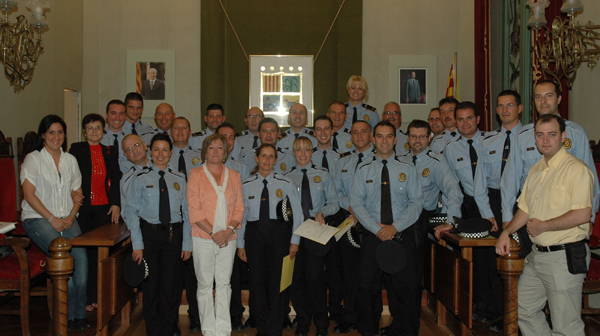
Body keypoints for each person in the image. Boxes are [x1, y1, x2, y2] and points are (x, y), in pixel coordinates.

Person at [496, 114, 593, 336]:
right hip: (537, 256)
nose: (545, 140)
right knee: (523, 311)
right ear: (535, 138)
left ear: (563, 137)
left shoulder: (576, 170)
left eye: (552, 134)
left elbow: (583, 214)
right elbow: (526, 209)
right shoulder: (536, 169)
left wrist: (545, 226)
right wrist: (507, 232)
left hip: (564, 255)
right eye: (540, 135)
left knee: (566, 326)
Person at [350, 120, 423, 336]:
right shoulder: (363, 169)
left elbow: (416, 203)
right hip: (373, 234)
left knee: (408, 287)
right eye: (380, 136)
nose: (384, 140)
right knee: (366, 286)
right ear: (373, 139)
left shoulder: (407, 168)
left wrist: (394, 227)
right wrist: (376, 229)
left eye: (389, 136)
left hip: (401, 233)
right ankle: (368, 330)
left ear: (395, 140)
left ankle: (404, 331)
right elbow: (356, 203)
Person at [500, 80, 599, 236]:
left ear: (559, 99)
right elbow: (510, 180)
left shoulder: (575, 133)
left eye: (549, 96)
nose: (543, 102)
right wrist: (507, 219)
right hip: (528, 215)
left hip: (565, 215)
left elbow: (590, 178)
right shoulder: (523, 136)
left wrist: (591, 217)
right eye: (538, 97)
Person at [393, 119, 462, 336]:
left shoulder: (436, 162)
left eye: (422, 136)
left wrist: (451, 220)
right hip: (396, 221)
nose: (417, 141)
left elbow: (453, 190)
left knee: (412, 279)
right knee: (395, 276)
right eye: (413, 136)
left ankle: (409, 329)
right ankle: (397, 325)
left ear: (430, 138)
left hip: (419, 223)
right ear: (407, 138)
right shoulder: (399, 160)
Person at [20, 115, 89, 331]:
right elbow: (29, 194)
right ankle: (65, 316)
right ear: (43, 135)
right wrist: (52, 219)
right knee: (62, 261)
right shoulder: (33, 159)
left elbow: (78, 191)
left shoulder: (70, 160)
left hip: (67, 218)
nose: (56, 137)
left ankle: (79, 314)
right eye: (51, 132)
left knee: (82, 263)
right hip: (38, 218)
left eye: (60, 132)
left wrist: (71, 215)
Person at [121, 133, 192, 336]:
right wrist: (137, 244)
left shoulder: (179, 178)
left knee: (171, 284)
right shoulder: (140, 178)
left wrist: (187, 243)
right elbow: (131, 211)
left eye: (164, 150)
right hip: (149, 236)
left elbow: (186, 212)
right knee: (151, 285)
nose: (160, 154)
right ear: (149, 152)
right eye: (156, 150)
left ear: (171, 152)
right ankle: (154, 328)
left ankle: (170, 326)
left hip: (173, 236)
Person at [237, 144, 303, 336]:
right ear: (256, 158)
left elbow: (297, 214)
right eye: (263, 156)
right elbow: (242, 216)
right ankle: (262, 327)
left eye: (271, 157)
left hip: (279, 235)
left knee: (278, 284)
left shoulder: (286, 183)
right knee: (257, 283)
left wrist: (295, 241)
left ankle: (275, 329)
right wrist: (241, 244)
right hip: (254, 235)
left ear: (276, 160)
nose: (266, 160)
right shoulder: (246, 184)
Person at [471, 90, 523, 332]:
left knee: (522, 261)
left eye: (509, 105)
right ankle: (504, 316)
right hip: (494, 203)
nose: (504, 110)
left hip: (523, 203)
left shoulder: (531, 137)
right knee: (496, 263)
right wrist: (487, 214)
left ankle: (525, 316)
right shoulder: (487, 141)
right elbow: (479, 183)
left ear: (520, 108)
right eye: (500, 106)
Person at [186, 134, 245, 336]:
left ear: (225, 152)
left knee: (224, 284)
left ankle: (223, 330)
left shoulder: (235, 176)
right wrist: (214, 233)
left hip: (228, 237)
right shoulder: (195, 175)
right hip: (203, 237)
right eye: (211, 148)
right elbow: (194, 211)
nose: (215, 152)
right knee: (204, 285)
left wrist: (228, 231)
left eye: (220, 148)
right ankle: (208, 330)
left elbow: (239, 209)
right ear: (205, 151)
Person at [285, 137, 340, 336]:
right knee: (297, 280)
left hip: (315, 231)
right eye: (298, 150)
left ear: (312, 152)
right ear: (293, 152)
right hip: (295, 233)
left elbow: (334, 201)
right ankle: (303, 323)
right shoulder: (286, 177)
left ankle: (322, 324)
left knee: (316, 279)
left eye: (306, 149)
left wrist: (322, 212)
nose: (302, 153)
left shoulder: (323, 174)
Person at [69, 113, 122, 313]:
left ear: (103, 130)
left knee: (104, 255)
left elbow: (116, 178)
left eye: (98, 128)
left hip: (105, 209)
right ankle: (88, 297)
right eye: (90, 128)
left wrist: (116, 204)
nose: (94, 132)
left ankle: (103, 295)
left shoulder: (110, 151)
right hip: (83, 209)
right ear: (84, 132)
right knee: (85, 256)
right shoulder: (76, 150)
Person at [330, 120, 375, 333]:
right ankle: (349, 316)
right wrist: (353, 208)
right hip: (349, 221)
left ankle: (368, 317)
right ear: (351, 137)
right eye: (355, 132)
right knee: (348, 272)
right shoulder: (342, 163)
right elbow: (337, 192)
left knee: (370, 273)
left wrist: (364, 214)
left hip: (373, 224)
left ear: (371, 135)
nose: (359, 136)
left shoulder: (379, 160)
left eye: (363, 132)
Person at [167, 116, 202, 334]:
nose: (180, 131)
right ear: (171, 131)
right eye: (176, 128)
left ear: (190, 132)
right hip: (172, 222)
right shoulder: (162, 156)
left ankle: (196, 317)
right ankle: (171, 321)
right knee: (172, 276)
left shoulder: (200, 157)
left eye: (184, 128)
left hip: (197, 222)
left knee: (195, 275)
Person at [216, 123, 252, 330]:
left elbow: (243, 205)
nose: (228, 141)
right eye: (223, 137)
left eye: (231, 138)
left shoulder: (241, 168)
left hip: (233, 229)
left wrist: (239, 237)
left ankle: (235, 315)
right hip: (209, 230)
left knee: (234, 277)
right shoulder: (203, 168)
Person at [120, 134, 149, 199]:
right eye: (129, 149)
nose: (135, 151)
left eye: (137, 145)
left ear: (145, 145)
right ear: (126, 155)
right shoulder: (126, 181)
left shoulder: (163, 168)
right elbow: (127, 208)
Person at [100, 99, 128, 166]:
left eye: (121, 114)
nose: (117, 118)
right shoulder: (99, 139)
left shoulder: (131, 140)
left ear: (125, 116)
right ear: (106, 115)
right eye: (113, 113)